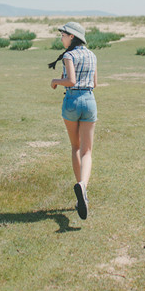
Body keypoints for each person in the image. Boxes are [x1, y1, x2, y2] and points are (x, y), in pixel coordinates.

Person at [49, 22, 97, 220]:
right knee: (87, 151)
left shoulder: (69, 55)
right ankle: (83, 187)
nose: (61, 38)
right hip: (89, 100)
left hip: (72, 101)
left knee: (76, 147)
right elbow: (95, 83)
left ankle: (81, 188)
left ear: (72, 37)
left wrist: (55, 81)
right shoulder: (92, 55)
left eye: (63, 35)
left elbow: (71, 81)